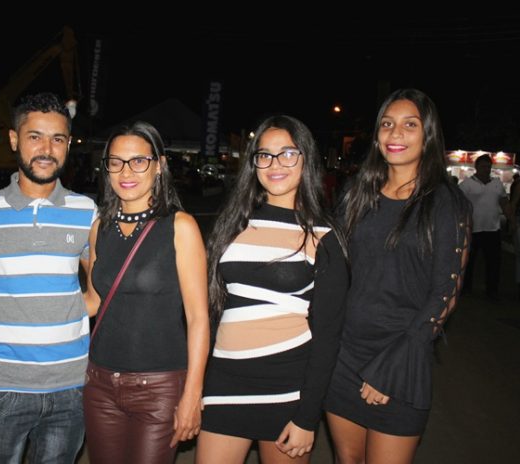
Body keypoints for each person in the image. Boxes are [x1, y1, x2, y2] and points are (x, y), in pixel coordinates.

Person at [324, 88, 471, 463]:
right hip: (344, 355)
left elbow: (445, 293)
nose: (396, 133)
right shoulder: (356, 194)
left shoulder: (445, 203)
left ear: (428, 135)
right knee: (347, 459)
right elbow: (334, 270)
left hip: (403, 354)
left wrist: (394, 365)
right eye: (387, 124)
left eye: (410, 125)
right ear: (377, 135)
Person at [195, 115, 349, 463]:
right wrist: (196, 384)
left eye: (288, 154)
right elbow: (212, 310)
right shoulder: (233, 224)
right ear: (253, 164)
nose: (275, 164)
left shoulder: (324, 237)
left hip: (287, 388)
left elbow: (328, 337)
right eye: (264, 155)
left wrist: (307, 416)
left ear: (306, 159)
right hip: (224, 382)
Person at [0, 92, 97, 463]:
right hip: (0, 385)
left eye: (57, 139)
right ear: (14, 140)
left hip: (70, 385)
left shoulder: (86, 211)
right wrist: (4, 292)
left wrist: (82, 303)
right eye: (35, 137)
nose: (46, 149)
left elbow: (100, 283)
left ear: (68, 144)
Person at [82, 121, 209, 464]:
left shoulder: (180, 227)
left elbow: (198, 318)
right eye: (116, 162)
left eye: (138, 161)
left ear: (159, 165)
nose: (126, 172)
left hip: (159, 387)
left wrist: (193, 393)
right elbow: (93, 302)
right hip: (100, 383)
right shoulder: (100, 228)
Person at [458, 154, 511, 301]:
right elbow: (458, 205)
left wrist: (511, 220)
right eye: (483, 166)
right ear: (476, 167)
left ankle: (492, 290)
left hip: (493, 229)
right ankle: (465, 288)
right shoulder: (466, 185)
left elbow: (504, 203)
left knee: (494, 262)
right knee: (468, 262)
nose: (486, 169)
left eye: (488, 166)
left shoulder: (497, 184)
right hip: (471, 230)